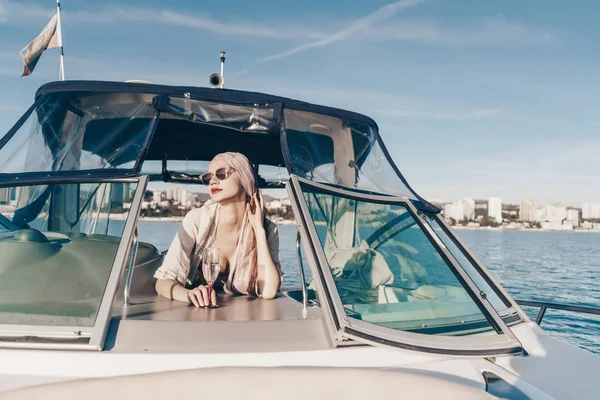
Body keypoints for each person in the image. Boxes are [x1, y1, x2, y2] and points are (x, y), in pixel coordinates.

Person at [154, 152, 282, 307]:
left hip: (246, 319)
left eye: (221, 174)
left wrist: (259, 231)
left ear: (244, 177)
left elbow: (268, 291)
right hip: (197, 317)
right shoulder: (197, 220)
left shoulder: (268, 229)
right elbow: (163, 283)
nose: (213, 181)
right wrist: (189, 295)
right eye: (207, 178)